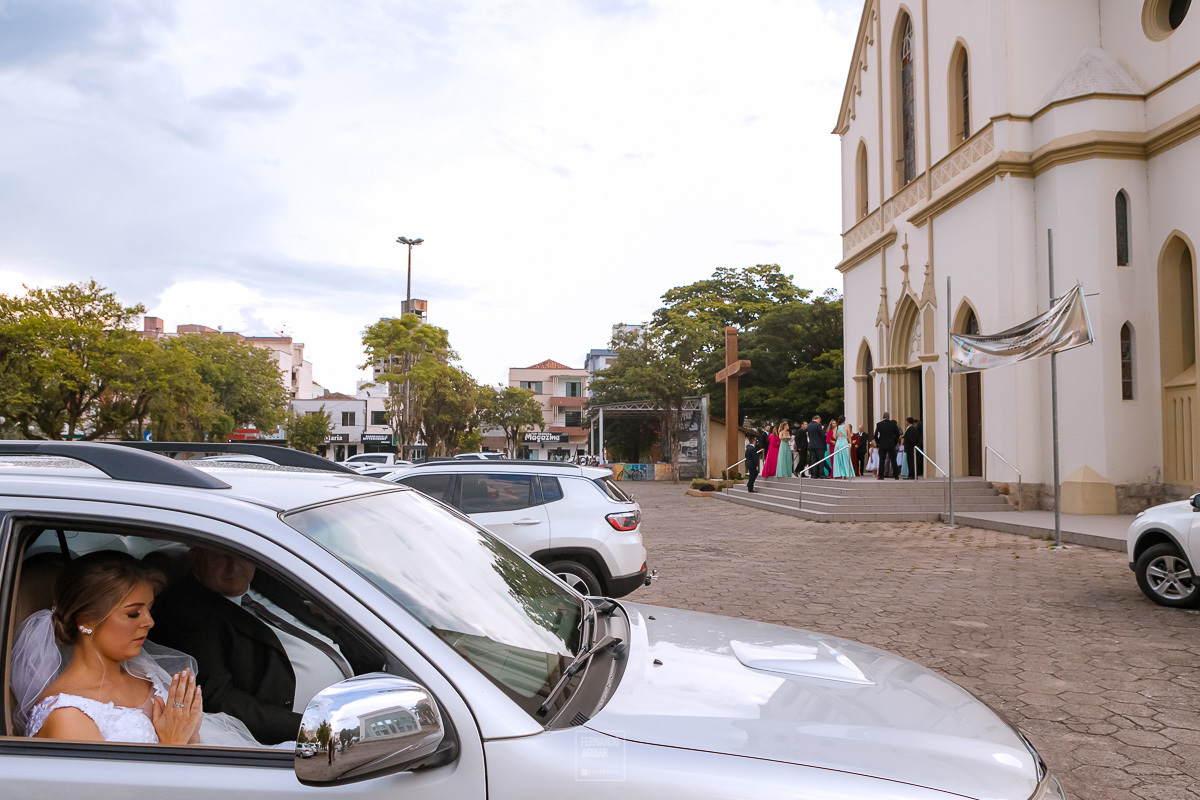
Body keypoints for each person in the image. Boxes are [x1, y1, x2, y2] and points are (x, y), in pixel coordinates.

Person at [11, 550, 265, 747]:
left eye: (149, 609)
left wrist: (191, 734)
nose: (150, 622)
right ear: (85, 620)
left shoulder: (145, 674)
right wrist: (173, 744)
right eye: (133, 614)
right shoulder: (67, 716)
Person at [151, 547, 370, 745]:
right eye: (220, 555)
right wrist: (311, 727)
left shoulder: (265, 579)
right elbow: (220, 699)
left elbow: (319, 626)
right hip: (303, 731)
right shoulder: (184, 611)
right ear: (196, 557)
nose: (234, 566)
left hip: (356, 697)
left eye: (242, 554)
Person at [874, 411, 902, 480]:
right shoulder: (893, 424)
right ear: (889, 417)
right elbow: (897, 434)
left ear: (882, 417)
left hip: (882, 445)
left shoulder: (879, 424)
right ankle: (896, 475)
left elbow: (875, 435)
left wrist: (878, 442)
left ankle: (881, 475)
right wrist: (894, 442)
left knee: (882, 460)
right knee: (893, 460)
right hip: (891, 444)